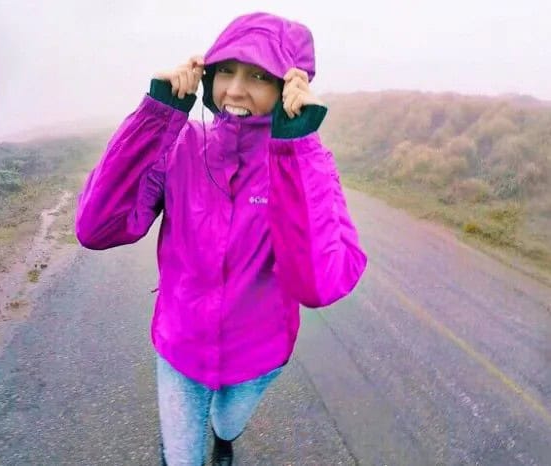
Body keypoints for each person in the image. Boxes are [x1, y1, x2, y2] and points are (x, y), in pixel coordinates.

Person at [75, 11, 367, 466]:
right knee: (181, 457)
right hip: (181, 348)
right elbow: (98, 227)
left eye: (258, 76)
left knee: (227, 423)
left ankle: (223, 437)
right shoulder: (178, 145)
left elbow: (319, 283)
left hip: (259, 353)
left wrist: (297, 146)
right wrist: (157, 115)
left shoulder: (304, 164)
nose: (234, 89)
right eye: (226, 70)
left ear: (288, 86)